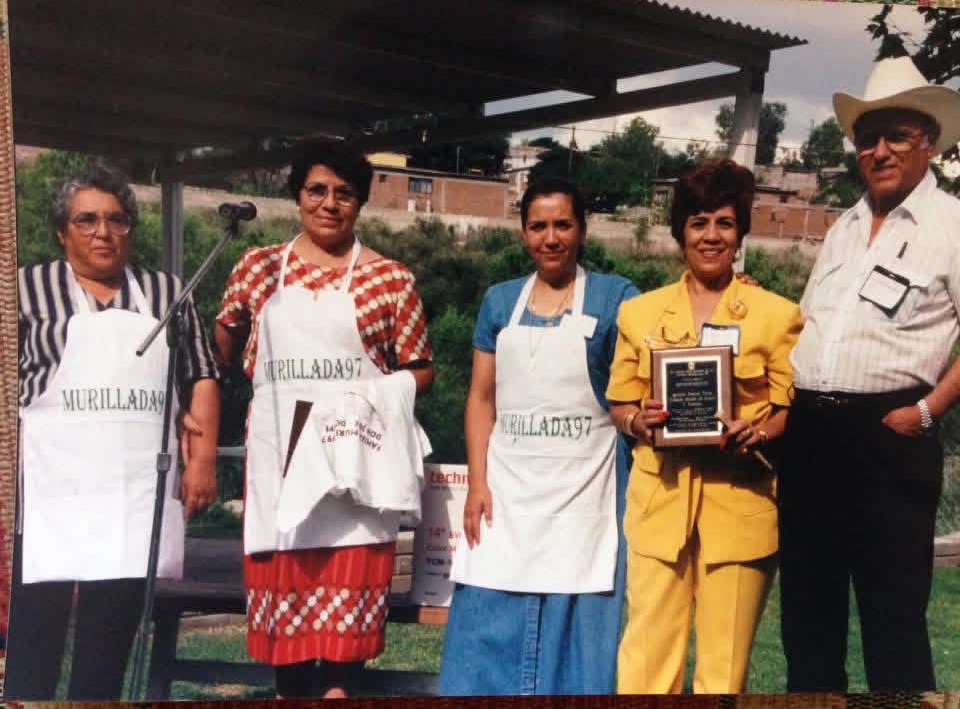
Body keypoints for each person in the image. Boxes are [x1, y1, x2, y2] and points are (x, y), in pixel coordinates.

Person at [214, 138, 434, 699]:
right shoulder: (258, 268)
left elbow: (420, 368)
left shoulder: (391, 279)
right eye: (317, 190)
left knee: (342, 661)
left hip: (354, 469)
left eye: (344, 193)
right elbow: (226, 338)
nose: (329, 204)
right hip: (281, 467)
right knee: (288, 655)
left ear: (359, 202)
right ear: (297, 196)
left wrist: (368, 396)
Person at [779, 56, 960, 693]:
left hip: (890, 433)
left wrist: (929, 410)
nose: (878, 151)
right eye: (867, 138)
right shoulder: (844, 227)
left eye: (896, 137)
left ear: (928, 142)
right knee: (807, 616)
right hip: (810, 434)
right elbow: (806, 326)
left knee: (893, 621)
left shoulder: (953, 225)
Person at [7, 165, 221, 700]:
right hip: (49, 489)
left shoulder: (166, 293)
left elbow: (201, 375)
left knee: (111, 630)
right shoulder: (25, 288)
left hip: (130, 492)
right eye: (86, 220)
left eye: (116, 219)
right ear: (62, 232)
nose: (103, 232)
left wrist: (202, 461)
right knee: (36, 625)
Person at [608, 160, 802, 694]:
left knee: (723, 672)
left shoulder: (777, 315)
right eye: (698, 223)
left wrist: (759, 433)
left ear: (741, 233)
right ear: (680, 232)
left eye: (724, 223)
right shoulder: (639, 314)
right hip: (658, 509)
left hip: (740, 510)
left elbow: (791, 410)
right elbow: (619, 403)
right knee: (645, 667)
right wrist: (638, 421)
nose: (711, 236)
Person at [439, 177, 638, 695]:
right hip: (508, 490)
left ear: (582, 230)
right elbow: (481, 398)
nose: (551, 238)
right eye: (538, 226)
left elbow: (660, 342)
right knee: (488, 611)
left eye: (563, 225)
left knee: (578, 624)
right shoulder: (499, 301)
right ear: (524, 232)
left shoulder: (616, 297)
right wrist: (477, 483)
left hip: (586, 492)